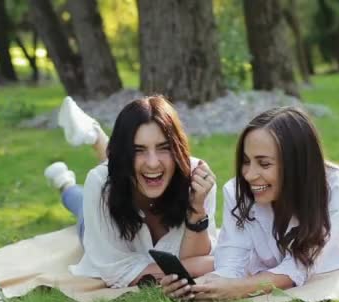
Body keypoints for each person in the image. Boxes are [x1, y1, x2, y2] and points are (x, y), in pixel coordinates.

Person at [161, 106, 339, 302]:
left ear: (296, 164)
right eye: (246, 161)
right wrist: (206, 286)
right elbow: (232, 256)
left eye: (264, 163)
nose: (249, 174)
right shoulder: (238, 191)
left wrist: (239, 288)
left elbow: (299, 268)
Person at [44, 96, 218, 288]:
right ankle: (65, 183)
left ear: (177, 149)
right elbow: (116, 273)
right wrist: (199, 266)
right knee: (80, 205)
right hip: (107, 198)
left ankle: (98, 141)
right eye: (138, 150)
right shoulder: (100, 185)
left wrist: (197, 210)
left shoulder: (197, 179)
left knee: (125, 174)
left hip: (124, 177)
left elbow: (198, 258)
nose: (153, 162)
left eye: (163, 148)